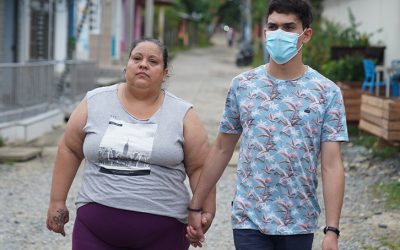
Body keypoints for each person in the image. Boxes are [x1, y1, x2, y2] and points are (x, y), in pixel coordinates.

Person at [187, 0, 348, 249]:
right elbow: (221, 149)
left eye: (288, 27)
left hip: (299, 221)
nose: (278, 34)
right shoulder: (243, 85)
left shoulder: (326, 92)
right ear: (265, 32)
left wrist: (332, 230)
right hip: (249, 218)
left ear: (306, 35)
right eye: (273, 26)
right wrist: (196, 205)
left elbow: (331, 164)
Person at [46, 37, 216, 250]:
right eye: (137, 58)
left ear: (164, 74)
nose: (143, 64)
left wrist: (204, 211)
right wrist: (57, 201)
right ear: (126, 66)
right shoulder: (95, 101)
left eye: (153, 61)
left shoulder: (183, 114)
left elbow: (200, 167)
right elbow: (69, 149)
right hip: (94, 232)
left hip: (163, 234)